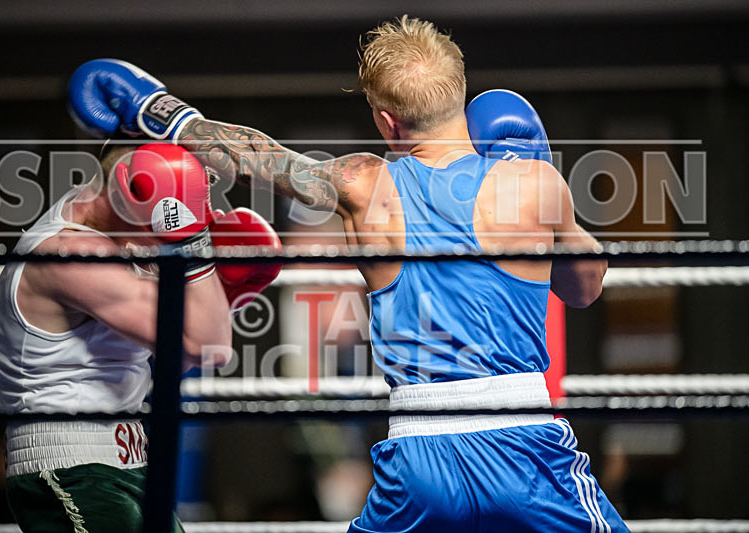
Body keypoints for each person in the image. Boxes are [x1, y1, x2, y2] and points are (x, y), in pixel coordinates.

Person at [68, 15, 627, 533]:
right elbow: (583, 287)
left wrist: (163, 113)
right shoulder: (532, 182)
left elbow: (255, 157)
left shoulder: (363, 186)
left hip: (419, 456)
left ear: (386, 120)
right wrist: (542, 176)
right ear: (459, 91)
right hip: (525, 446)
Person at [0, 142, 280, 532]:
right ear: (131, 195)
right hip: (70, 467)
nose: (159, 240)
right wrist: (193, 244)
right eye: (164, 217)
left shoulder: (108, 229)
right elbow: (211, 348)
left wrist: (222, 293)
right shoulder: (72, 254)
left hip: (126, 461)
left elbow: (181, 356)